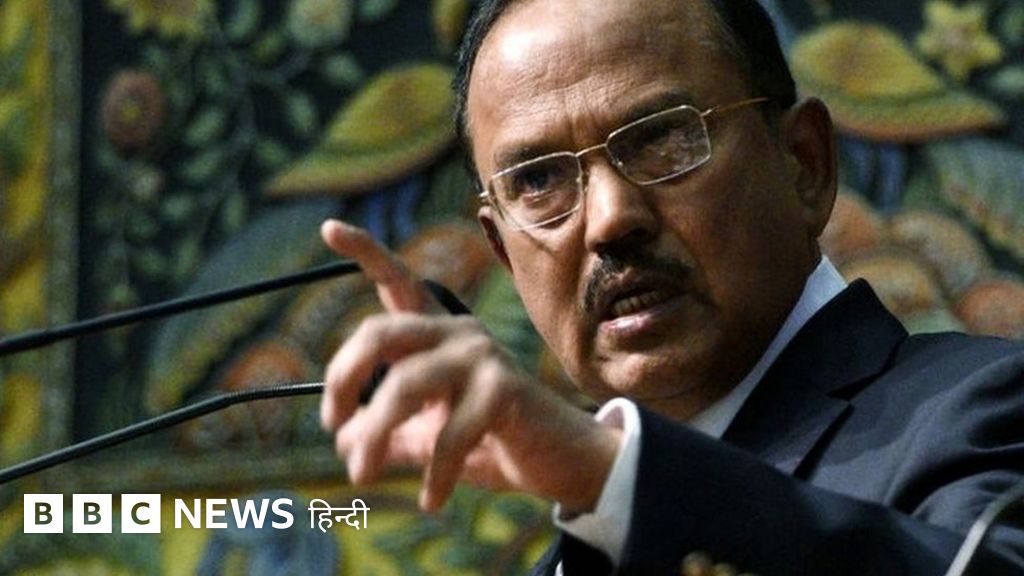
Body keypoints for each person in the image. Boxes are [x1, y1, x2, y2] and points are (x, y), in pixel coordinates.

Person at [317, 0, 1024, 573]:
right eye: (539, 180)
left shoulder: (990, 409)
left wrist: (618, 477)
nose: (609, 220)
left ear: (804, 164)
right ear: (503, 251)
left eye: (661, 138)